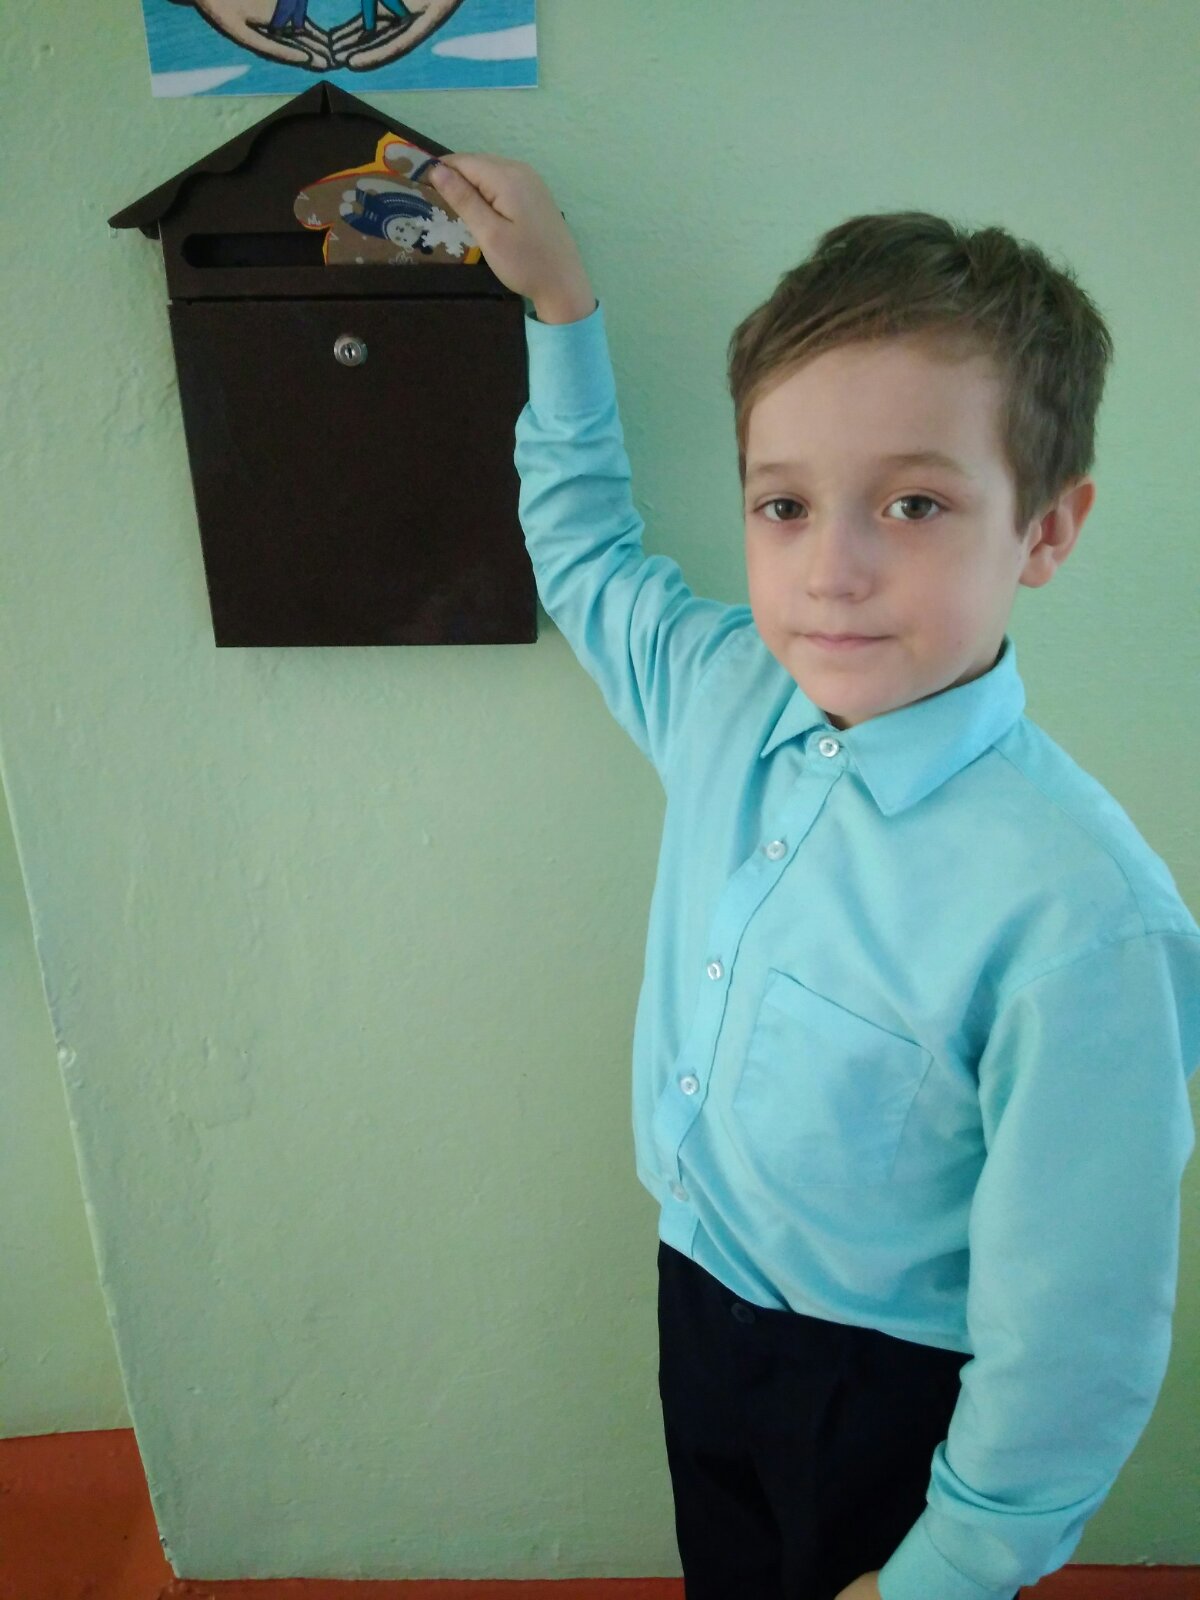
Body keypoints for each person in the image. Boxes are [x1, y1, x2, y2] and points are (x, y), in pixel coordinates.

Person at [426, 155, 1200, 1600]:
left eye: (913, 506)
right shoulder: (725, 689)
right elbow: (585, 551)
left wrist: (953, 1567)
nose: (831, 570)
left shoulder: (1086, 921)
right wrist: (561, 307)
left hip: (888, 1398)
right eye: (784, 506)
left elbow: (1077, 1332)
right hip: (699, 1301)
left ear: (1044, 528)